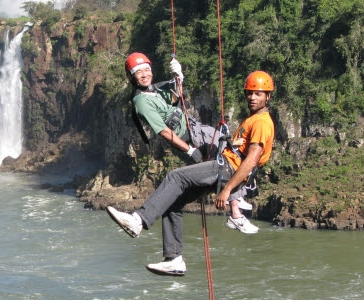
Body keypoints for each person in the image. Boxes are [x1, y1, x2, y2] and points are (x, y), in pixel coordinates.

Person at [107, 70, 275, 276]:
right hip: (225, 168)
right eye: (249, 93)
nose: (252, 97)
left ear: (268, 97)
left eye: (258, 93)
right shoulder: (252, 120)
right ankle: (174, 259)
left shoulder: (261, 122)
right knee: (173, 201)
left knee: (175, 177)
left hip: (226, 169)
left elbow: (251, 160)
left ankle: (139, 220)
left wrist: (227, 190)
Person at [125, 52, 220, 163]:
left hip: (193, 127)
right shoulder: (141, 102)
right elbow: (164, 132)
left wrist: (179, 76)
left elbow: (176, 98)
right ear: (131, 76)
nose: (144, 75)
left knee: (225, 143)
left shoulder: (153, 90)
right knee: (224, 151)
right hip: (188, 137)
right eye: (138, 72)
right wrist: (189, 150)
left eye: (147, 70)